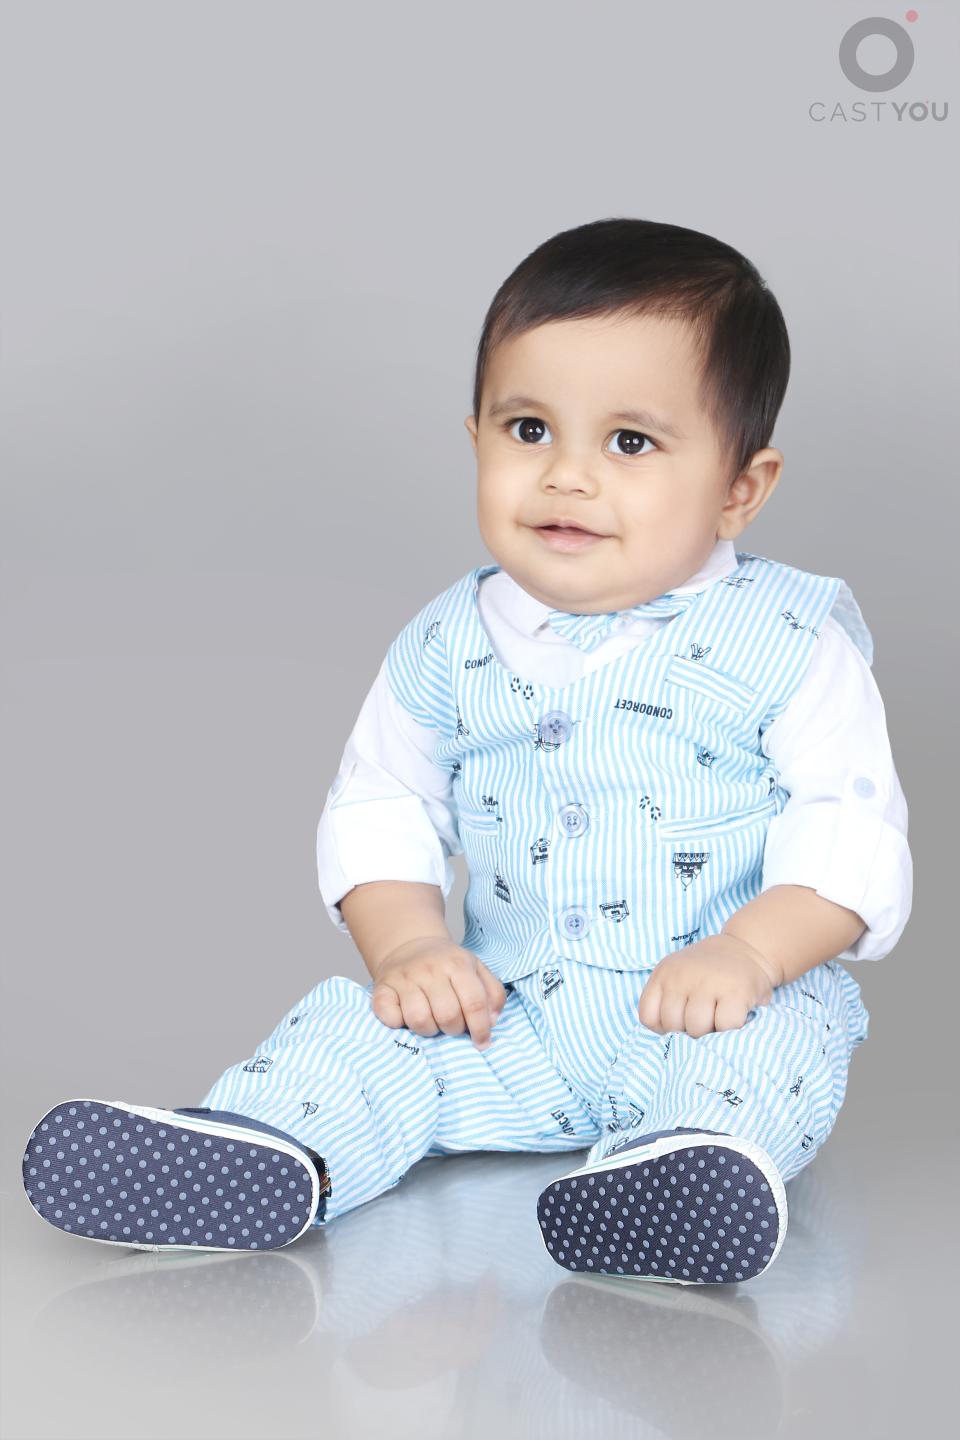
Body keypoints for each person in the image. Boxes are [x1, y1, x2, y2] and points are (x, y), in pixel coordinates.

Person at [21, 218, 912, 1283]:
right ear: (475, 438)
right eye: (529, 429)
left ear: (740, 488)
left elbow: (847, 830)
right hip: (511, 1017)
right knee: (372, 1038)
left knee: (766, 1054)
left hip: (712, 1011)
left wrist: (752, 955)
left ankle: (679, 1174)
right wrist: (409, 951)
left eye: (630, 443)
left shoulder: (790, 642)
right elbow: (381, 804)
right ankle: (268, 1148)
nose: (567, 477)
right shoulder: (447, 642)